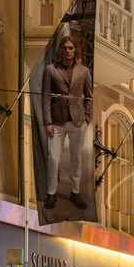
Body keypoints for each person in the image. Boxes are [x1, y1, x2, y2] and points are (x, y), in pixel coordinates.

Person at [42, 35, 93, 211]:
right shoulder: (50, 70)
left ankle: (75, 192)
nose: (68, 51)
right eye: (65, 48)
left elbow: (89, 97)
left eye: (71, 48)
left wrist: (86, 118)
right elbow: (46, 98)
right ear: (60, 50)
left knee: (76, 158)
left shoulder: (84, 71)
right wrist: (48, 122)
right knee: (54, 158)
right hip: (57, 121)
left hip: (77, 121)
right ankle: (51, 193)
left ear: (75, 50)